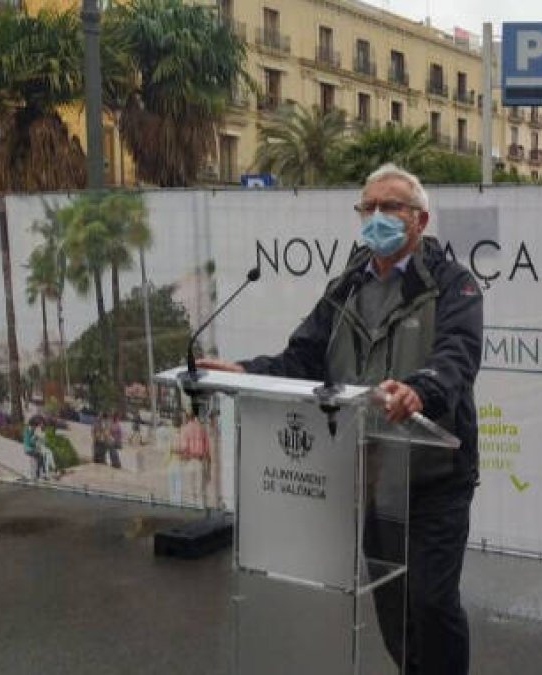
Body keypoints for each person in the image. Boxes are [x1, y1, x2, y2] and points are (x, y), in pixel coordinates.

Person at [198, 163, 482, 675]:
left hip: (434, 480)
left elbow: (457, 358)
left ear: (419, 219)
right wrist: (245, 371)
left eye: (390, 207)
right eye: (367, 207)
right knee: (394, 609)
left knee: (433, 603)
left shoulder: (453, 285)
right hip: (371, 473)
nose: (377, 217)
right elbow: (301, 359)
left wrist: (420, 389)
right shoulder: (346, 286)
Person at [178, 411, 210, 506]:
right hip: (201, 461)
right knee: (201, 489)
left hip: (190, 461)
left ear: (188, 418)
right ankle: (201, 508)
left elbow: (183, 448)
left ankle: (192, 508)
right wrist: (208, 467)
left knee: (191, 489)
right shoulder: (202, 428)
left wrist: (182, 457)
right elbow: (207, 448)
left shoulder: (185, 429)